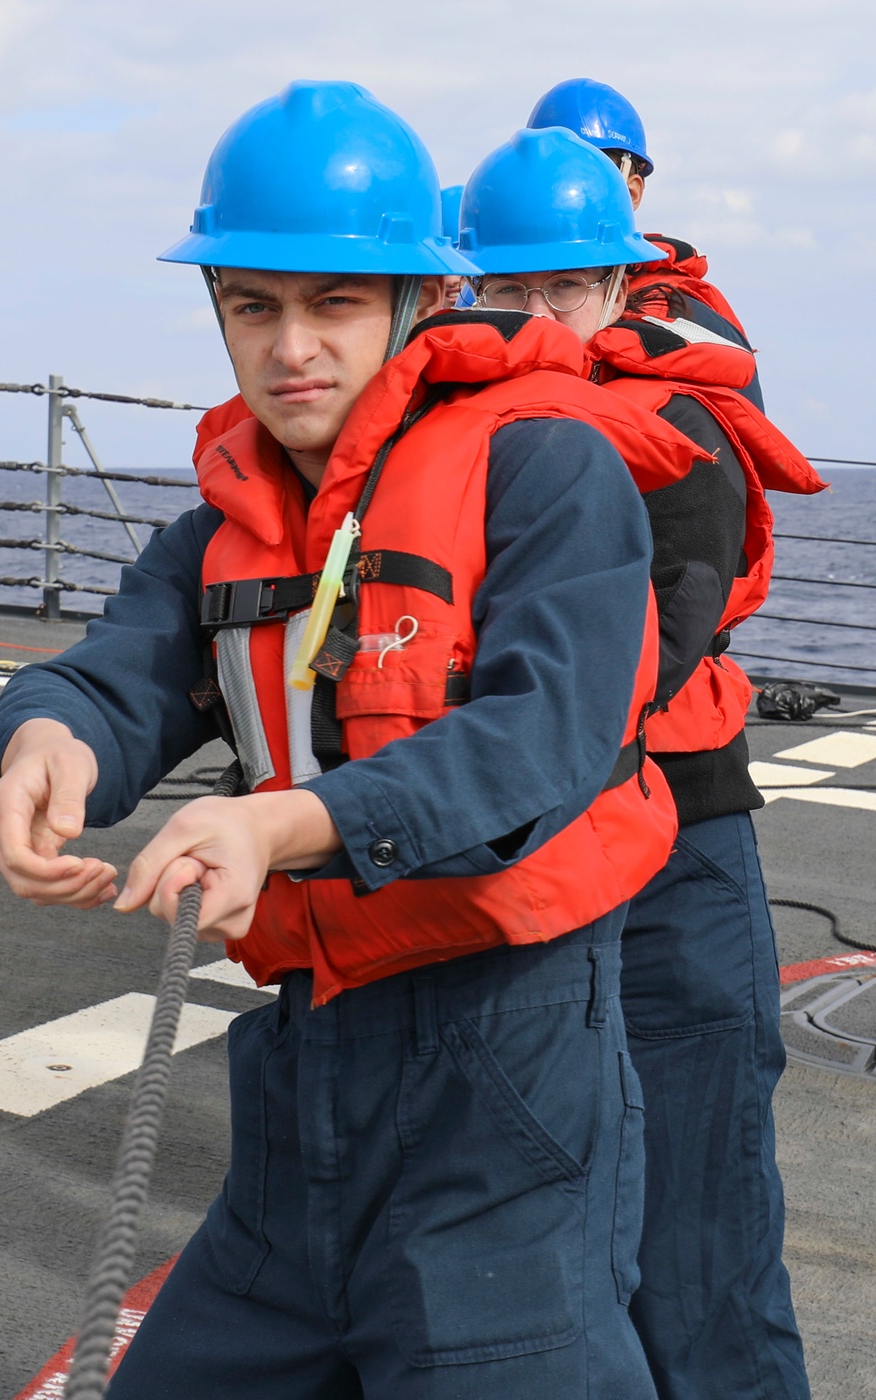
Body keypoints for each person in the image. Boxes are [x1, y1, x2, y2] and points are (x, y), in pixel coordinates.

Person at [0, 80, 706, 1399]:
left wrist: (284, 824)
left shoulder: (545, 468)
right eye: (255, 304)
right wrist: (41, 748)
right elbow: (122, 670)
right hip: (307, 1075)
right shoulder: (224, 527)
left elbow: (548, 733)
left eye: (335, 302)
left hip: (507, 1081)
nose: (292, 345)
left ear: (419, 302)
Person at [459, 123, 822, 1400]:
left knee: (703, 1232)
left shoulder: (679, 428)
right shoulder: (442, 428)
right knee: (531, 1229)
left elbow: (655, 638)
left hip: (672, 842)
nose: (540, 317)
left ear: (620, 289)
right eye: (510, 290)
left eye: (566, 287)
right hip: (524, 855)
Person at [527, 77, 765, 410]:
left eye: (593, 174)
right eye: (554, 171)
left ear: (633, 191)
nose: (572, 187)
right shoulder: (490, 292)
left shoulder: (686, 317)